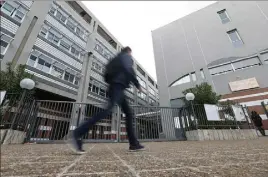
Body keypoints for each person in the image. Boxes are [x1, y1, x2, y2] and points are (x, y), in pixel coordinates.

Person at [66, 46, 144, 154]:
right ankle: (78, 133)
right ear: (129, 52)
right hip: (118, 87)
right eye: (131, 53)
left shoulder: (115, 59)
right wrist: (137, 84)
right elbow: (129, 69)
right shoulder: (126, 57)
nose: (131, 55)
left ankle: (133, 144)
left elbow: (106, 74)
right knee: (107, 111)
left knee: (128, 113)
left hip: (115, 87)